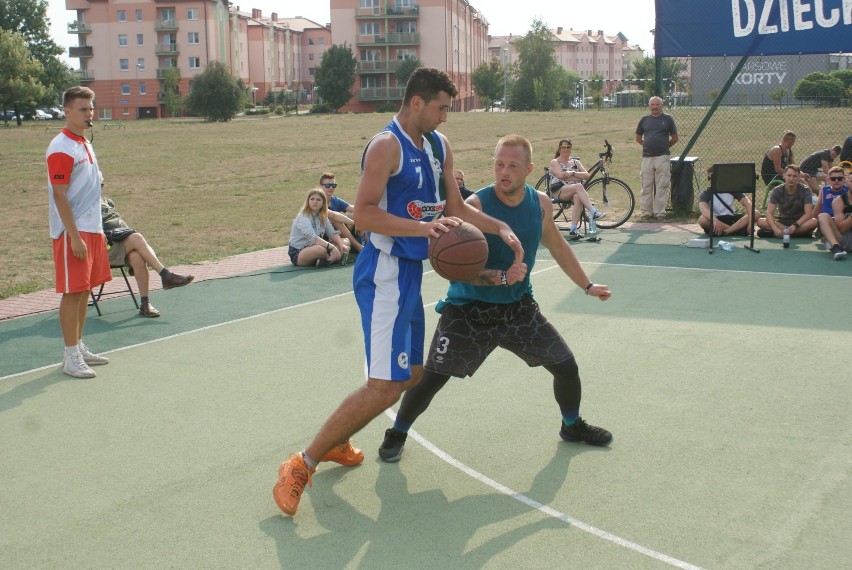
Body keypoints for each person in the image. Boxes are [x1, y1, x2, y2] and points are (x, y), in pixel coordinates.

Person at [272, 67, 525, 517]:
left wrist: (498, 226)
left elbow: (454, 206)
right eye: (442, 108)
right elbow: (364, 216)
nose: (446, 117)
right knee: (386, 384)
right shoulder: (385, 146)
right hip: (383, 271)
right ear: (417, 103)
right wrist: (424, 228)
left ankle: (336, 441)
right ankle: (301, 463)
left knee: (408, 377)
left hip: (410, 272)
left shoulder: (438, 146)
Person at [378, 134, 613, 464]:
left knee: (566, 366)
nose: (504, 172)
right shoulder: (476, 206)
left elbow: (558, 247)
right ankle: (398, 432)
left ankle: (571, 426)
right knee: (432, 377)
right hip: (468, 309)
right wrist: (499, 276)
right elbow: (449, 268)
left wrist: (587, 286)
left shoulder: (541, 205)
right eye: (499, 164)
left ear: (529, 169)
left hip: (518, 308)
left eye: (513, 166)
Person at [46, 86, 111, 378]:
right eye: (83, 109)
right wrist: (73, 236)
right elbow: (59, 195)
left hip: (91, 227)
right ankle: (70, 355)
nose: (89, 113)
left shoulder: (84, 142)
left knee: (85, 290)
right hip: (72, 231)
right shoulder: (61, 146)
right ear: (67, 111)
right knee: (72, 292)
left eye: (91, 108)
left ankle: (79, 346)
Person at [99, 173, 194, 318]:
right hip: (103, 248)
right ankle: (166, 275)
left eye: (101, 184)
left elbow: (120, 225)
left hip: (119, 243)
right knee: (136, 237)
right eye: (96, 185)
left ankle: (145, 303)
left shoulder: (107, 202)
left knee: (137, 256)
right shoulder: (84, 206)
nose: (100, 188)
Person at [548, 139, 606, 237]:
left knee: (577, 197)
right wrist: (578, 176)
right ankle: (593, 212)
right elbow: (561, 175)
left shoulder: (576, 162)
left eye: (568, 147)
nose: (566, 149)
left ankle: (573, 229)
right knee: (579, 186)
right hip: (559, 190)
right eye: (563, 147)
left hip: (573, 191)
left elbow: (587, 176)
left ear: (571, 149)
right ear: (559, 149)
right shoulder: (555, 162)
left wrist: (572, 173)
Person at [635, 96, 678, 219]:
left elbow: (675, 138)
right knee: (646, 185)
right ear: (649, 106)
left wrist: (664, 146)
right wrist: (647, 145)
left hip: (662, 157)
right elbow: (638, 138)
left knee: (662, 185)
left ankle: (659, 212)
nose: (655, 107)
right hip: (647, 158)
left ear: (661, 106)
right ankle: (646, 212)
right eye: (652, 105)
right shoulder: (644, 120)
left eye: (657, 105)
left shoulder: (668, 119)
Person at [287, 188, 350, 267]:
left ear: (323, 202)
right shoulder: (303, 215)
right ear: (308, 201)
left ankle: (326, 260)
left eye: (318, 200)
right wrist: (333, 248)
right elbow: (312, 237)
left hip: (320, 246)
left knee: (345, 241)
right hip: (300, 251)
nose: (315, 202)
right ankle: (334, 258)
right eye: (312, 199)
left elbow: (332, 233)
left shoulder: (323, 214)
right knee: (320, 250)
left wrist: (341, 245)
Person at [756, 164, 818, 239]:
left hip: (799, 223)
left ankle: (783, 234)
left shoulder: (806, 190)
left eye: (794, 176)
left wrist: (795, 225)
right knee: (760, 221)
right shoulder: (777, 190)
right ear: (784, 175)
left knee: (814, 222)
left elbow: (808, 214)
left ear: (798, 178)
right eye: (789, 175)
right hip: (782, 222)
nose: (791, 179)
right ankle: (796, 234)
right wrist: (775, 229)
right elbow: (769, 213)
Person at [697, 166, 758, 236]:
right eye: (709, 178)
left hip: (730, 219)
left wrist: (750, 223)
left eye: (714, 177)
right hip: (716, 220)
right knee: (702, 219)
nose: (711, 180)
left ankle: (726, 232)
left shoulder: (731, 189)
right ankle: (736, 231)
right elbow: (703, 208)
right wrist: (714, 220)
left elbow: (748, 203)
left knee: (756, 213)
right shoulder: (706, 193)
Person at [319, 172, 364, 253]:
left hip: (336, 233)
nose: (331, 188)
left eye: (333, 185)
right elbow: (334, 215)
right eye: (327, 185)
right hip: (322, 235)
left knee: (356, 214)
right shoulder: (317, 201)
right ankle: (359, 247)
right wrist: (354, 223)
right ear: (320, 186)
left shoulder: (334, 200)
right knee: (336, 221)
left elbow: (354, 208)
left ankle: (370, 243)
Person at [817, 190, 852, 260]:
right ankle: (836, 248)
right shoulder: (839, 201)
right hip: (845, 239)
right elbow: (841, 229)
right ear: (847, 181)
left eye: (839, 178)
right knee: (823, 216)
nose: (836, 181)